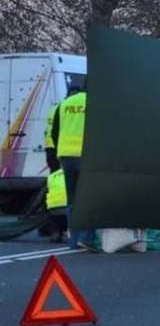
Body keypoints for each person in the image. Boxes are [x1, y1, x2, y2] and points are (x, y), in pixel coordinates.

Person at [52, 85, 96, 250]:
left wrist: (59, 153)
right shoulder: (94, 103)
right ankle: (86, 239)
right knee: (90, 199)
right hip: (86, 155)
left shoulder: (64, 104)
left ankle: (73, 240)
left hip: (66, 155)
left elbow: (55, 132)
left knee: (72, 201)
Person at [45, 168, 68, 243]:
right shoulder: (76, 173)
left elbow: (39, 199)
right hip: (70, 214)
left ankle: (55, 233)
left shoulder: (51, 176)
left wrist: (26, 216)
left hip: (54, 213)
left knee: (48, 210)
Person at [44, 104, 61, 173]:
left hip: (49, 147)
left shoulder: (52, 110)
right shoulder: (61, 109)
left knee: (54, 173)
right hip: (58, 147)